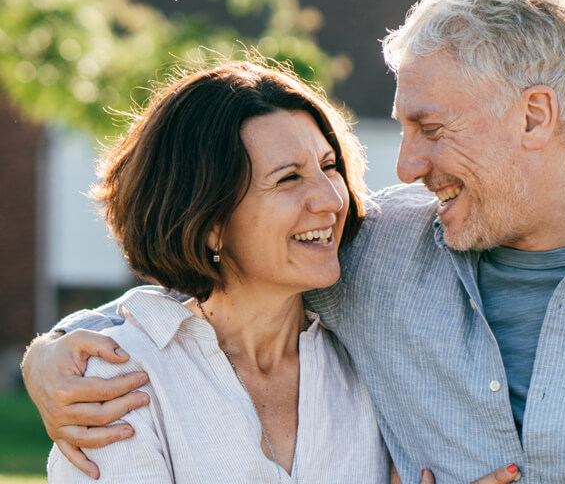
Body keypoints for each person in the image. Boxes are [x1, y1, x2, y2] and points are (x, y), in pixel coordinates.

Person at [22, 0, 565, 482]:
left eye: (432, 128)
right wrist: (52, 352)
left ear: (534, 116)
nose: (405, 166)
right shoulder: (374, 253)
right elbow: (210, 288)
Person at [44, 58, 395, 482]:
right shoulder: (122, 380)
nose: (332, 200)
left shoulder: (372, 362)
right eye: (288, 179)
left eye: (329, 166)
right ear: (210, 224)